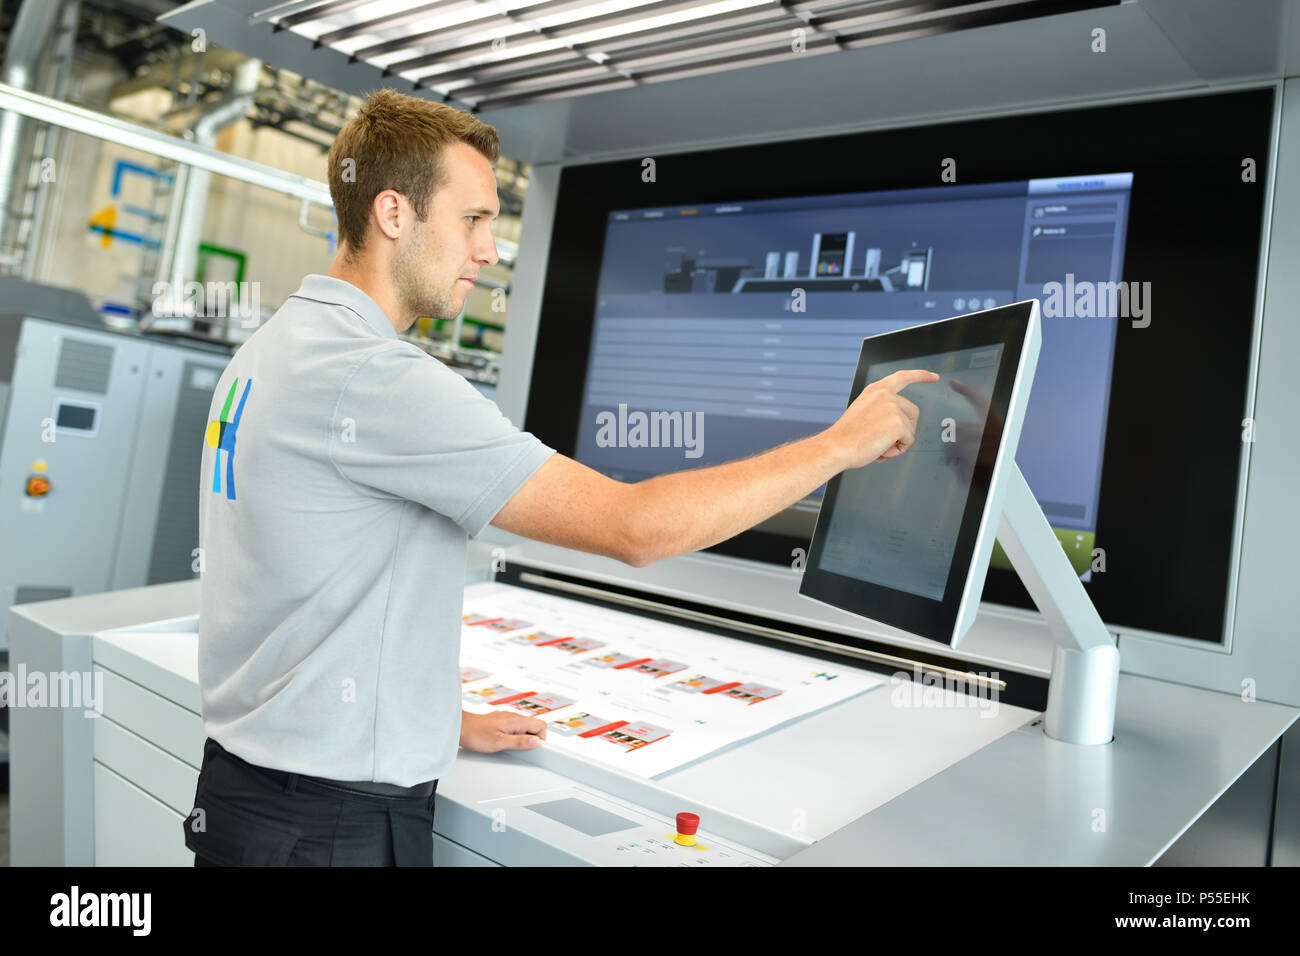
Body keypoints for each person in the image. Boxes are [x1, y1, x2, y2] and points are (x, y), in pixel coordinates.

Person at [184, 89, 935, 867]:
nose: (489, 250)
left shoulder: (276, 346)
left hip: (252, 797)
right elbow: (634, 527)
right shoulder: (375, 379)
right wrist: (839, 446)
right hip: (331, 828)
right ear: (394, 214)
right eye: (473, 219)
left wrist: (429, 715)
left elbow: (310, 569)